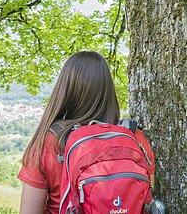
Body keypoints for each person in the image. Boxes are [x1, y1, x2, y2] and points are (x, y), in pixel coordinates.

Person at [18, 51, 155, 214]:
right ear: (107, 90)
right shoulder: (134, 137)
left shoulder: (48, 142)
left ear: (65, 89)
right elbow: (147, 199)